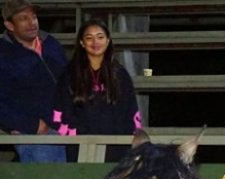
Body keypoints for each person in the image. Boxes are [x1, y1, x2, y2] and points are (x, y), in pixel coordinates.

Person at [53, 19, 141, 162]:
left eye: (100, 37)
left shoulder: (120, 74)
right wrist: (77, 136)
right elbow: (59, 114)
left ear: (108, 41)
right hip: (80, 148)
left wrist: (127, 141)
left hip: (116, 148)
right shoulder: (69, 74)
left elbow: (131, 113)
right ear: (82, 43)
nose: (95, 42)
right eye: (89, 38)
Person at [0, 0, 67, 162]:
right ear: (9, 25)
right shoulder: (3, 54)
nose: (32, 23)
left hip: (64, 126)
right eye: (23, 18)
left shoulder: (50, 43)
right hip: (36, 133)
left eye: (34, 17)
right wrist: (30, 124)